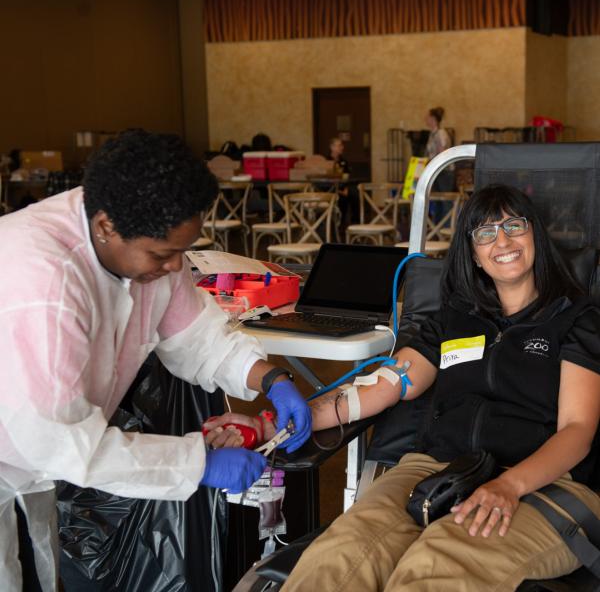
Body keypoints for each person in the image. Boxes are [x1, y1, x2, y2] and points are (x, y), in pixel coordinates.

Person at [209, 184, 600, 591]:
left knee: (436, 564)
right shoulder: (455, 319)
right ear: (475, 256)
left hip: (541, 483)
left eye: (513, 226)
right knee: (339, 553)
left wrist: (509, 484)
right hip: (434, 469)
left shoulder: (578, 321)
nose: (502, 240)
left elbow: (577, 430)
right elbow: (381, 388)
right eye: (485, 232)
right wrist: (274, 425)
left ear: (533, 232)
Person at [0, 129, 312, 591]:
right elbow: (62, 442)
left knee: (32, 569)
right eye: (163, 254)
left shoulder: (143, 241)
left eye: (181, 252)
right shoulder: (44, 285)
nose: (174, 267)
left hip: (30, 463)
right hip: (27, 444)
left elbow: (198, 336)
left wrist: (270, 377)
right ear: (105, 226)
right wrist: (196, 464)